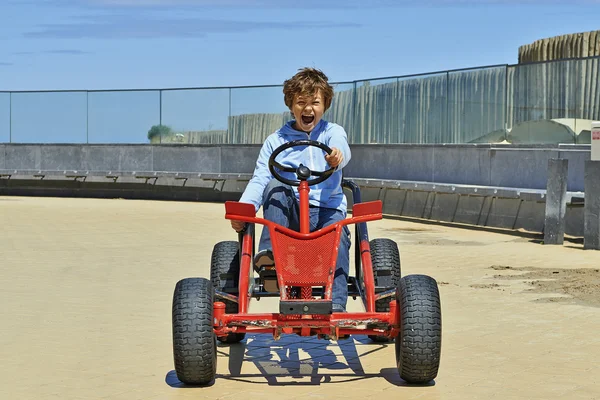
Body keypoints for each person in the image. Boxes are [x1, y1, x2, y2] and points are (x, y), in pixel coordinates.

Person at [231, 67, 352, 312]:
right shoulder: (276, 140)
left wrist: (336, 157)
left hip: (326, 210)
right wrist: (243, 211)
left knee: (337, 236)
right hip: (291, 215)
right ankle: (270, 255)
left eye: (315, 102)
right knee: (275, 186)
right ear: (291, 105)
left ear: (325, 105)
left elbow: (341, 148)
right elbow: (259, 179)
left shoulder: (332, 132)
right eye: (301, 103)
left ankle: (337, 305)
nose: (308, 109)